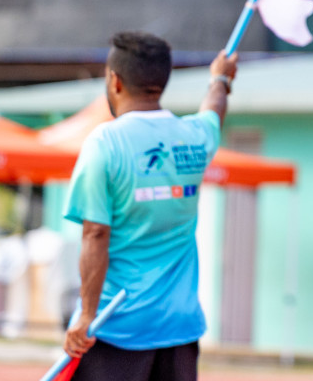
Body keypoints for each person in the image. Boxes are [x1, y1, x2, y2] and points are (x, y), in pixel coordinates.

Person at [62, 32, 239, 381]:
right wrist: (220, 78)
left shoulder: (105, 143)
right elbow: (214, 109)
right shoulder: (194, 138)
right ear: (160, 83)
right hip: (179, 330)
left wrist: (86, 315)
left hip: (115, 329)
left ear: (115, 81)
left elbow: (96, 233)